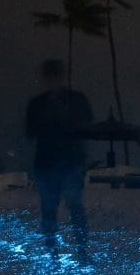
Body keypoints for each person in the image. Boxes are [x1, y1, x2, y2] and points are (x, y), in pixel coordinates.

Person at [24, 58, 92, 258]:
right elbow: (31, 133)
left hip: (64, 162)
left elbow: (85, 126)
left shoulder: (73, 100)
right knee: (55, 209)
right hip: (52, 163)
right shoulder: (39, 104)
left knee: (67, 207)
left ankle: (75, 250)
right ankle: (60, 251)